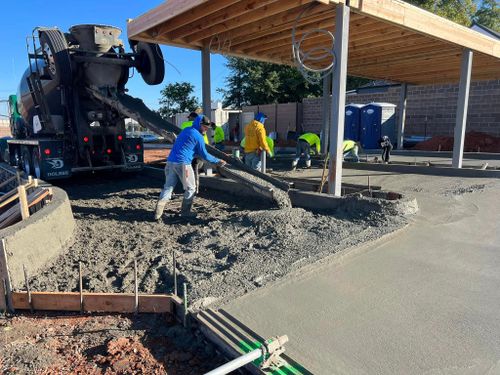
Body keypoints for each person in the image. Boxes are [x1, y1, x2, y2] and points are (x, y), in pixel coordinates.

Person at [154, 115, 225, 220]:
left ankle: (158, 212)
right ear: (199, 124)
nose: (206, 129)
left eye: (207, 127)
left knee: (168, 187)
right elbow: (204, 155)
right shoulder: (198, 136)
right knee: (191, 189)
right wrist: (218, 161)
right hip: (183, 164)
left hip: (170, 162)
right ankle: (185, 212)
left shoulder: (186, 130)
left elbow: (187, 146)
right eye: (205, 127)